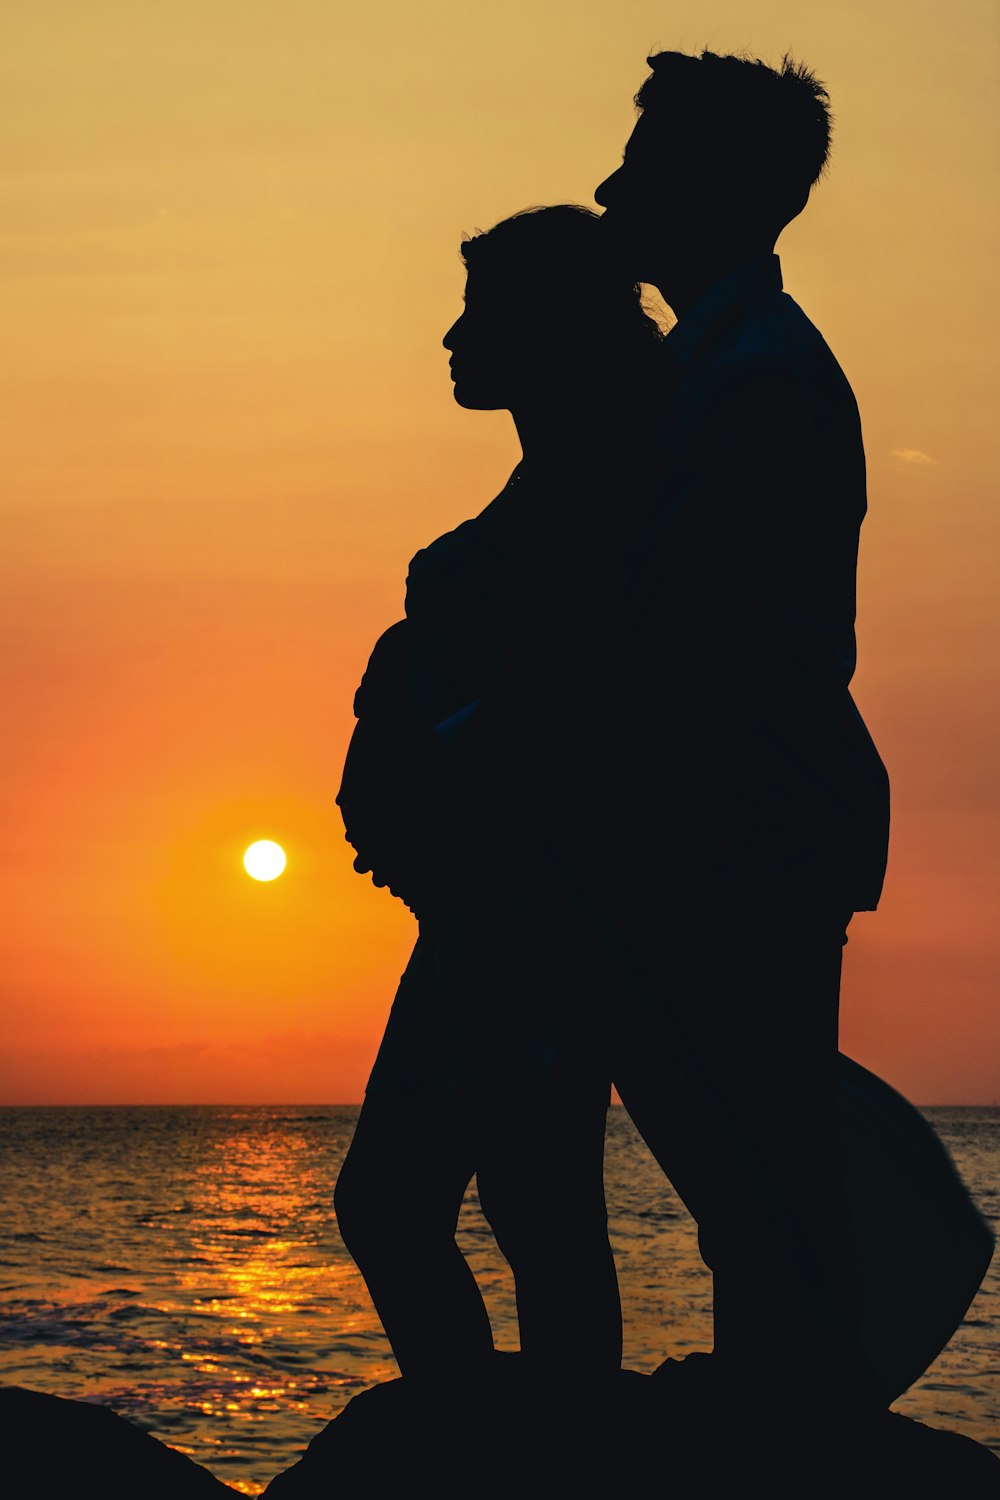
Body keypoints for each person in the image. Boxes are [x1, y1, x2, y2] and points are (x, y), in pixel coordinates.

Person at [563, 49, 893, 1419]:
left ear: (716, 188)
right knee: (735, 1141)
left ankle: (788, 1415)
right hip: (741, 817)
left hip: (743, 823)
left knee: (745, 1145)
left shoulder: (753, 380)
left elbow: (692, 639)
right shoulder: (722, 365)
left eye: (641, 164)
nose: (607, 185)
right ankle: (779, 1400)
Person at [333, 205, 668, 1385]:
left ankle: (483, 1442)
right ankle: (528, 1441)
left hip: (533, 907)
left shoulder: (603, 478)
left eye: (480, 311)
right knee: (535, 1200)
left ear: (546, 327)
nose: (452, 336)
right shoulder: (559, 474)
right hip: (503, 903)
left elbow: (574, 685)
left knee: (400, 1202)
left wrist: (423, 728)